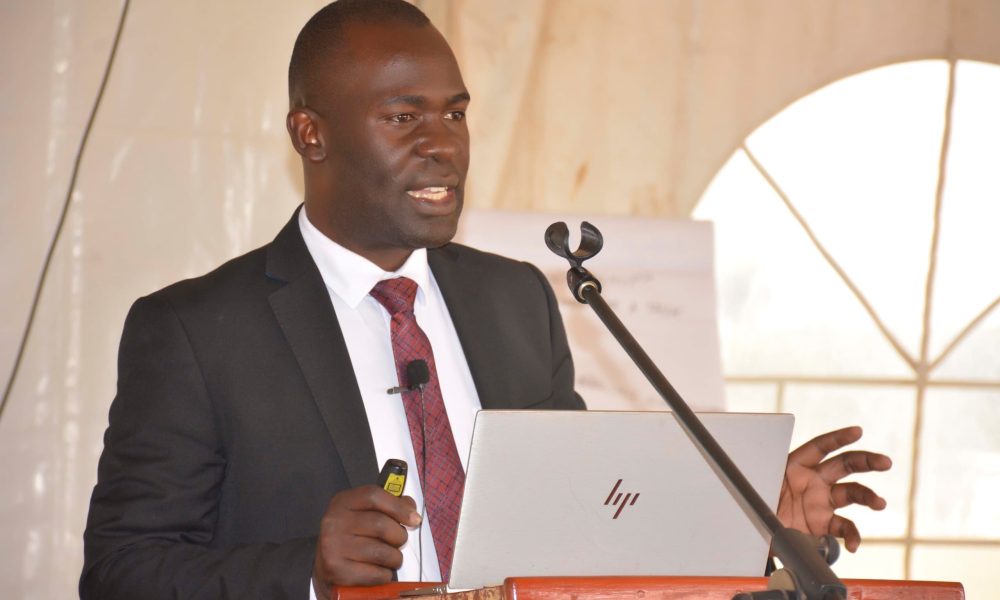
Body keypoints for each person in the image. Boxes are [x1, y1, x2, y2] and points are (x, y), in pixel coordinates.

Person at [80, 2, 891, 599]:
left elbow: (586, 530)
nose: (444, 143)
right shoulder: (194, 330)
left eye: (456, 112)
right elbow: (120, 572)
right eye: (403, 117)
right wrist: (303, 570)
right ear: (311, 134)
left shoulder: (517, 302)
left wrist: (756, 525)